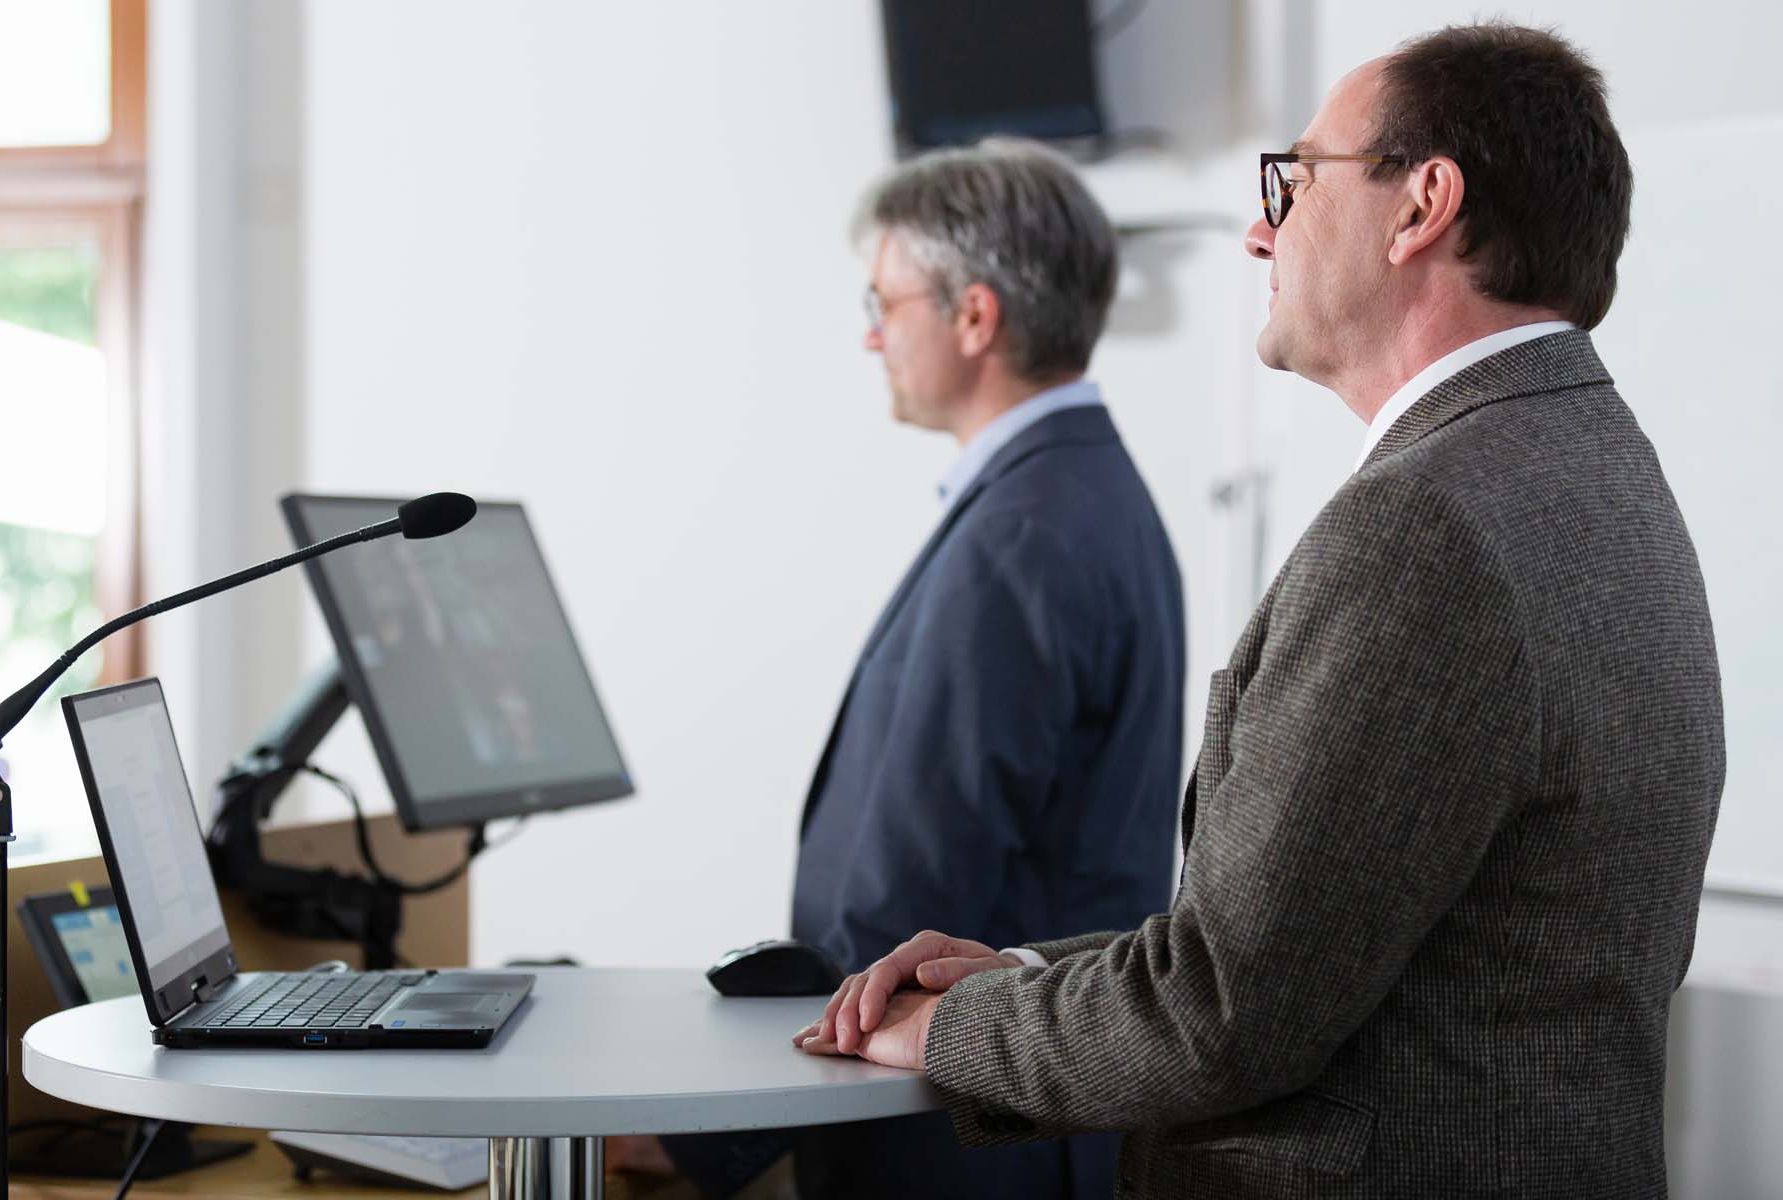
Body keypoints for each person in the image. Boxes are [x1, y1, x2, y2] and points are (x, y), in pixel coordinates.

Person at [796, 24, 1725, 1199]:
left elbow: (1225, 1013)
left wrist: (946, 1031)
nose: (1256, 229)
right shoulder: (1597, 466)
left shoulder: (1426, 530)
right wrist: (1017, 975)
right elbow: (1314, 939)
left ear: (1420, 205)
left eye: (1291, 182)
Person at [634, 139, 1187, 1198]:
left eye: (884, 301)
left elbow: (914, 891)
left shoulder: (1025, 531)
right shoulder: (1089, 493)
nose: (870, 334)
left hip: (955, 1145)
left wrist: (707, 1141)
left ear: (975, 317)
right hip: (1032, 1124)